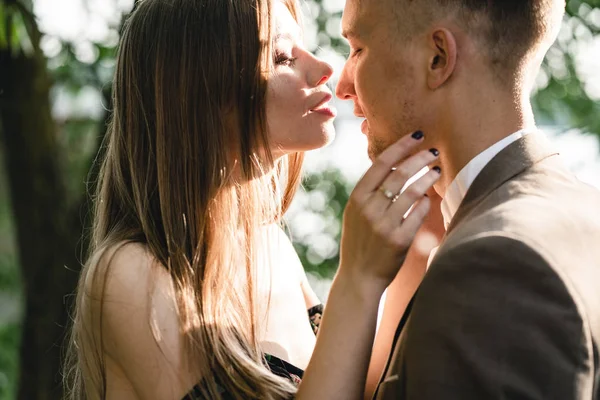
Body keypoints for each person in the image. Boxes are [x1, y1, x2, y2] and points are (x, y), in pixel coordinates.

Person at [62, 0, 442, 398]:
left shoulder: (272, 249)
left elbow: (355, 390)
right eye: (281, 56)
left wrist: (417, 243)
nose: (324, 69)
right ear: (202, 92)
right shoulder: (133, 276)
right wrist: (355, 280)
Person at [336, 0, 600, 398]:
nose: (342, 87)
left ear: (437, 57)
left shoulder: (493, 263)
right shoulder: (582, 209)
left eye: (358, 50)